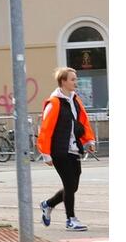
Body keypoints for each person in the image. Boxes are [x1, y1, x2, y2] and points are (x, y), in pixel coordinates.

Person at [36, 67, 97, 231]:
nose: (75, 83)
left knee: (73, 186)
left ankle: (48, 204)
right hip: (59, 150)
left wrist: (88, 140)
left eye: (76, 79)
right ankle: (71, 219)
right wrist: (46, 153)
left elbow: (83, 121)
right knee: (70, 185)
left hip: (74, 149)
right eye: (72, 79)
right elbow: (46, 128)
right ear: (63, 81)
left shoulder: (75, 100)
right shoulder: (54, 102)